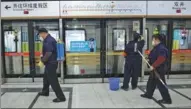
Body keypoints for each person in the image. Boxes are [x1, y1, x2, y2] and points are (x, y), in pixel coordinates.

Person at [140, 34, 172, 104]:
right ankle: (148, 94)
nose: (152, 41)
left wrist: (153, 66)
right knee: (151, 82)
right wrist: (147, 60)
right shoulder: (156, 48)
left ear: (157, 40)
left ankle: (167, 100)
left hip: (159, 70)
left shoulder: (161, 48)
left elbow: (162, 58)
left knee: (161, 85)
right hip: (155, 70)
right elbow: (152, 57)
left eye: (153, 40)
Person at [38, 28, 66, 103]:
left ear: (43, 33)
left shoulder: (49, 40)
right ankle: (45, 91)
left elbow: (48, 53)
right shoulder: (49, 39)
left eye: (40, 35)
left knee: (53, 81)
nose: (40, 36)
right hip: (50, 63)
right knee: (46, 78)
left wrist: (42, 61)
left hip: (51, 64)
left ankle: (61, 97)